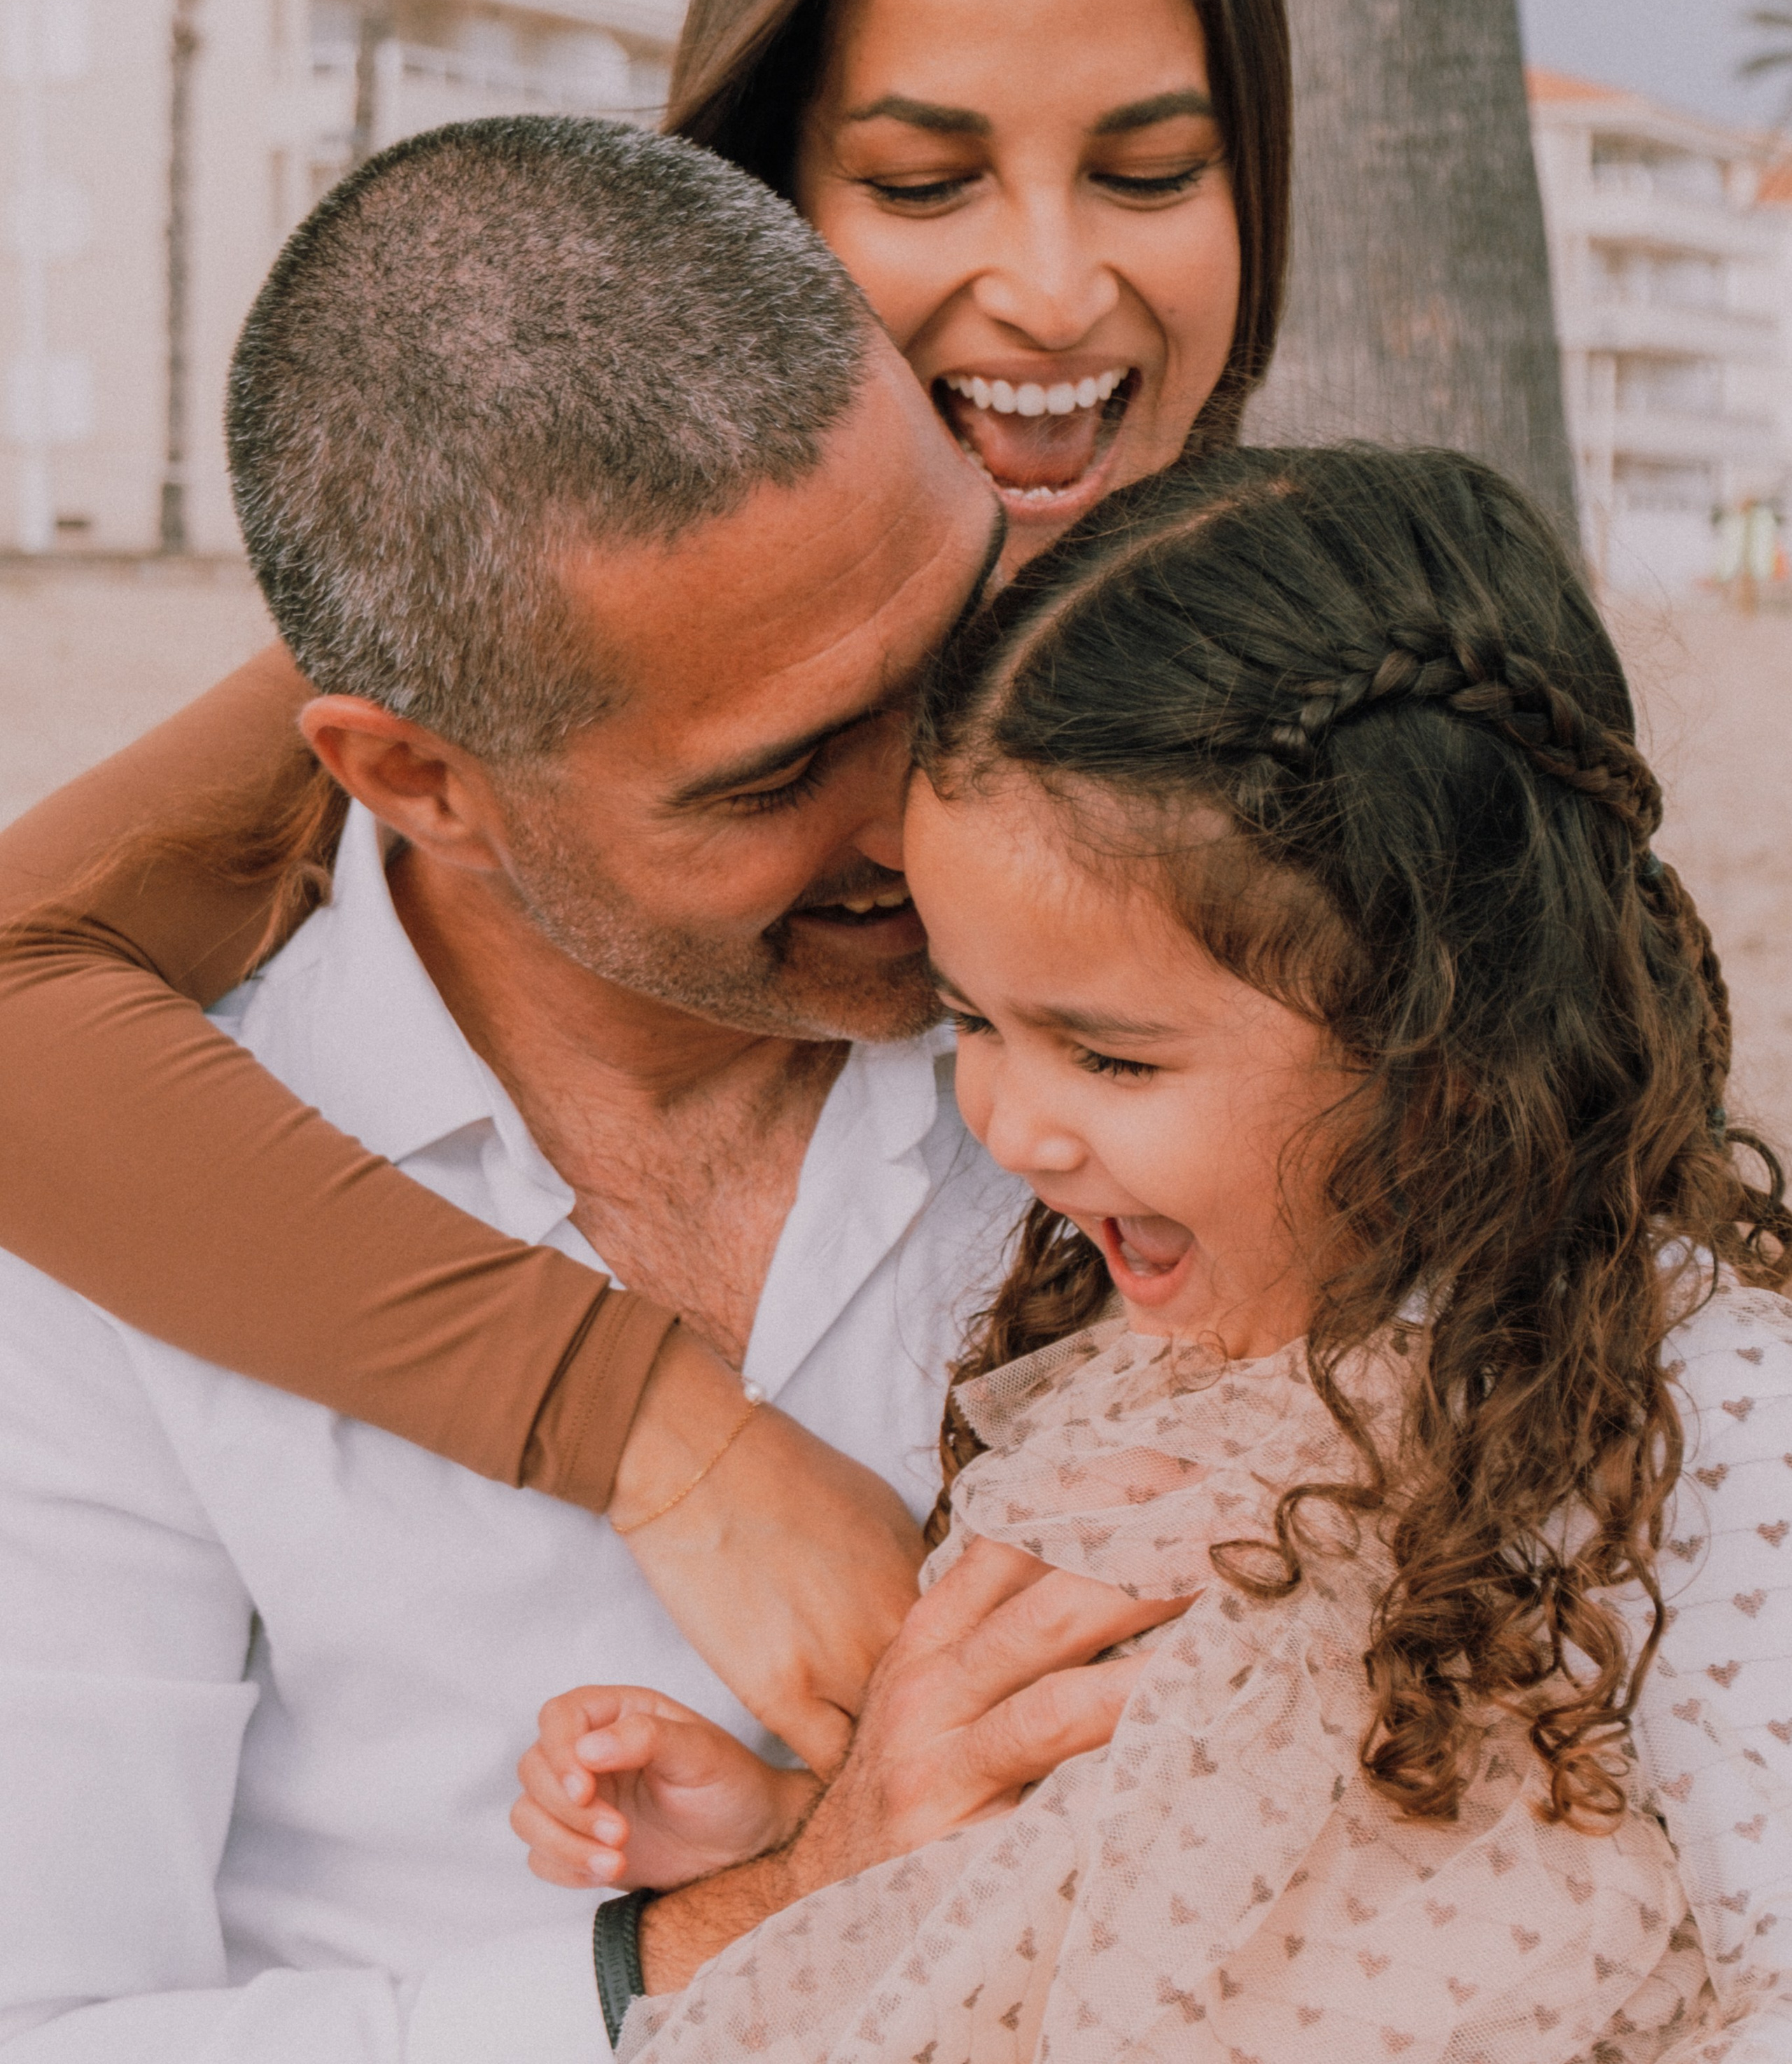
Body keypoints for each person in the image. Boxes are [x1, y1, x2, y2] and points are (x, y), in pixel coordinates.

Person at [0, 0, 1289, 1748]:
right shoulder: (585, 644)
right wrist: (650, 1422)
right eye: (923, 177)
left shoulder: (1352, 659)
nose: (1053, 287)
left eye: (1150, 168)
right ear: (752, 207)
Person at [0, 117, 1160, 2059]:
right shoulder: (87, 1240)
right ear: (413, 779)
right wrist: (729, 1940)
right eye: (775, 776)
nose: (924, 815)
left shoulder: (1162, 1008)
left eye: (948, 650)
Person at [512, 446, 1792, 2063]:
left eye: (1108, 1059)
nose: (1013, 1129)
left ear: (1440, 1030)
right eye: (971, 1021)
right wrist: (786, 1834)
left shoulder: (1699, 1417)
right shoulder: (1127, 1368)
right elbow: (1078, 1841)